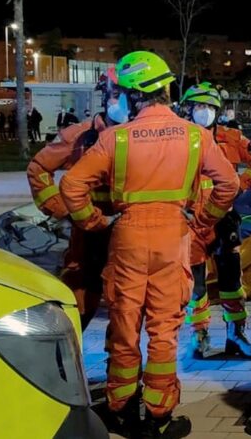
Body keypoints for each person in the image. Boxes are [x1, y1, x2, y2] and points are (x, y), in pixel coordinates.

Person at [61, 51, 238, 439]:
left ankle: (121, 408)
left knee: (125, 326)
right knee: (164, 330)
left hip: (127, 237)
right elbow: (229, 185)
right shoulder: (196, 136)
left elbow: (71, 186)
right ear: (164, 88)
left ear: (132, 95)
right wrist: (202, 221)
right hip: (173, 237)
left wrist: (94, 222)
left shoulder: (114, 138)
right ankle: (159, 415)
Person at [26, 69, 121, 329]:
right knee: (78, 296)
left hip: (127, 230)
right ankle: (68, 355)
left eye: (127, 95)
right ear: (106, 97)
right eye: (116, 94)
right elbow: (39, 168)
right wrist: (60, 208)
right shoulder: (80, 136)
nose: (121, 101)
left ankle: (121, 364)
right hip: (87, 229)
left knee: (125, 304)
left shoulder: (142, 137)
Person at [178, 81, 251, 359]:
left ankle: (235, 335)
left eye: (208, 107)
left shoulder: (232, 138)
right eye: (197, 106)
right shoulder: (178, 139)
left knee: (231, 283)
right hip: (190, 223)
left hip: (223, 221)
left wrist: (243, 184)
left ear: (218, 110)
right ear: (187, 110)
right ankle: (199, 336)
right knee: (196, 286)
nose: (203, 112)